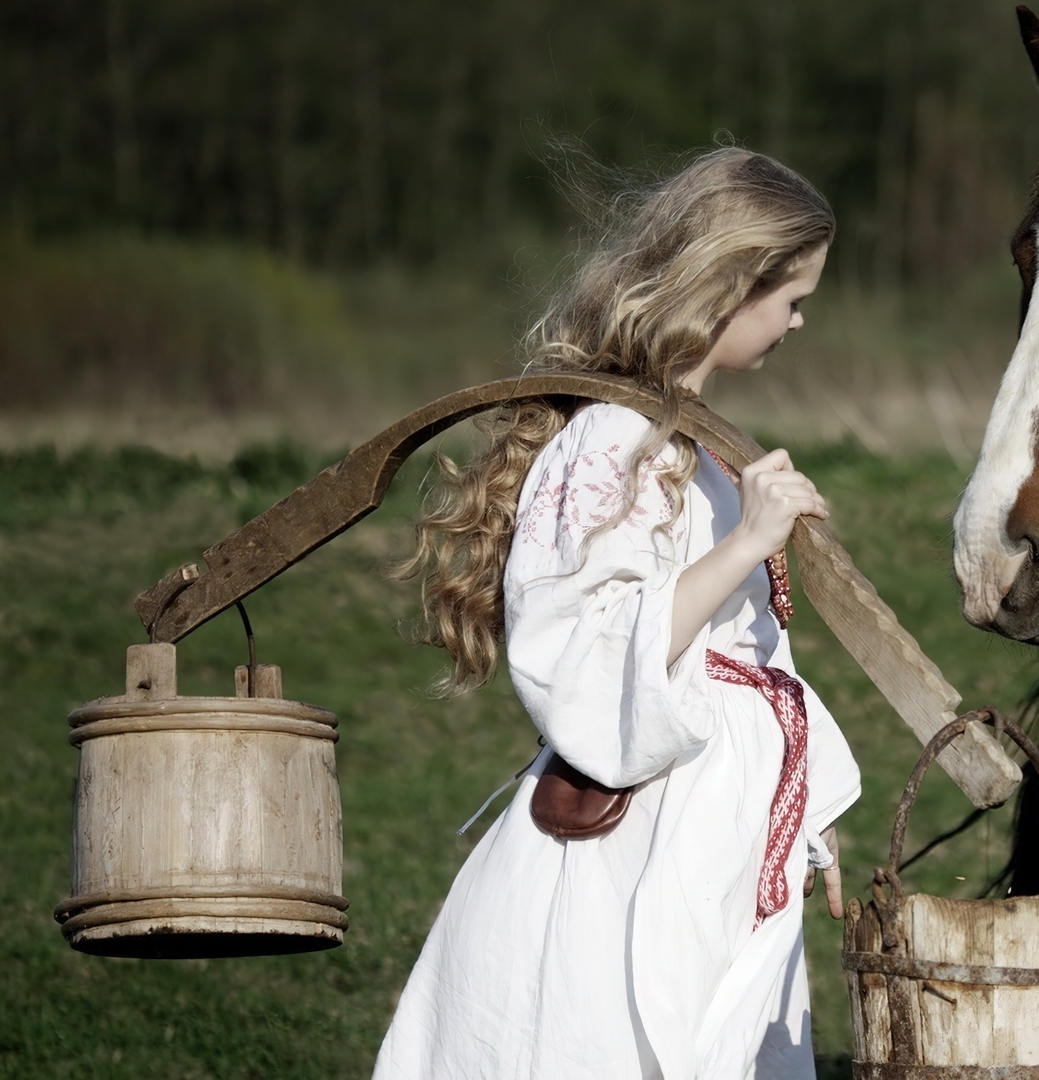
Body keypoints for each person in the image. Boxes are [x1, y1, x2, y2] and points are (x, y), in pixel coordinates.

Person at [374, 147, 860, 1080]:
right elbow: (584, 653)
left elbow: (753, 661)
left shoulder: (708, 448)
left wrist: (799, 815)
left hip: (716, 839)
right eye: (792, 297)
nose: (800, 321)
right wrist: (745, 544)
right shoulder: (613, 440)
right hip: (631, 852)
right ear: (730, 284)